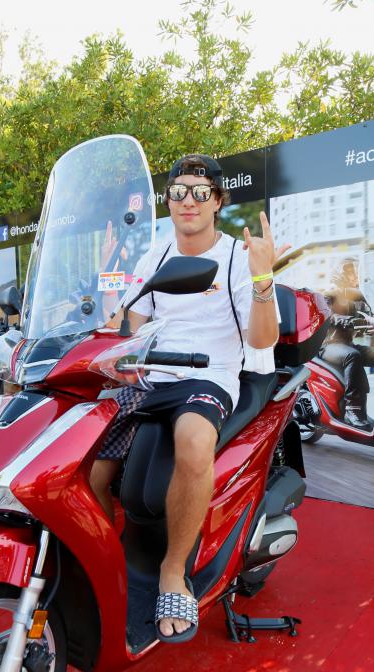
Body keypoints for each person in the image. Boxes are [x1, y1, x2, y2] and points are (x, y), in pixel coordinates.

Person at [89, 154, 289, 643]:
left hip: (208, 376)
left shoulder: (237, 257)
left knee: (195, 444)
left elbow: (263, 339)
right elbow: (127, 326)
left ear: (218, 201)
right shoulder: (156, 256)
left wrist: (263, 279)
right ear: (169, 202)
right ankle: (104, 563)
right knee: (85, 459)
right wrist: (109, 292)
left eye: (201, 192)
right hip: (150, 377)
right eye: (179, 192)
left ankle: (172, 571)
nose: (189, 201)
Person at [320, 258, 374, 431]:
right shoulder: (330, 292)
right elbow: (329, 317)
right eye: (352, 273)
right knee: (353, 356)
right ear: (342, 273)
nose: (356, 277)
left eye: (357, 273)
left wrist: (370, 323)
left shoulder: (356, 295)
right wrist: (352, 321)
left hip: (347, 344)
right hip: (328, 345)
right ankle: (353, 410)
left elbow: (369, 313)